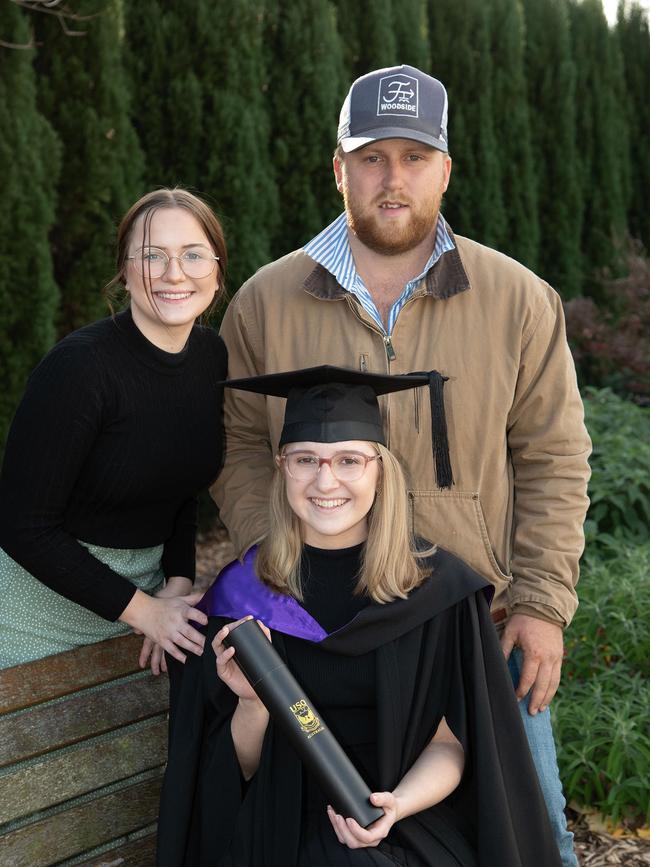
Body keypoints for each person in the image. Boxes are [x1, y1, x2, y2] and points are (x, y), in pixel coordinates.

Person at [212, 65, 592, 866]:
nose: (394, 178)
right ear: (338, 165)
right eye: (373, 155)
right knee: (331, 842)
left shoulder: (518, 300)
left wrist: (543, 600)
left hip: (477, 633)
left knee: (535, 837)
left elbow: (555, 458)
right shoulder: (265, 300)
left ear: (445, 169)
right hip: (322, 641)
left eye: (414, 157)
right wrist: (276, 569)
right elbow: (239, 448)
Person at [158, 366, 562, 866]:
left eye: (349, 460)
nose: (325, 481)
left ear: (380, 470)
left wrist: (396, 808)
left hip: (409, 812)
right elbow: (231, 774)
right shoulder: (244, 596)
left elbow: (451, 746)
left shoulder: (437, 591)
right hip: (285, 817)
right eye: (306, 460)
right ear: (282, 466)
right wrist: (253, 704)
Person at [0, 188, 227, 672]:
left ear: (216, 270)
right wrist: (144, 611)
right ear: (124, 272)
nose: (174, 273)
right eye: (152, 256)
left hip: (143, 609)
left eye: (192, 255)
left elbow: (180, 490)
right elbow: (22, 526)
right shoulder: (79, 370)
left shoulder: (211, 358)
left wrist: (178, 583)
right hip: (34, 616)